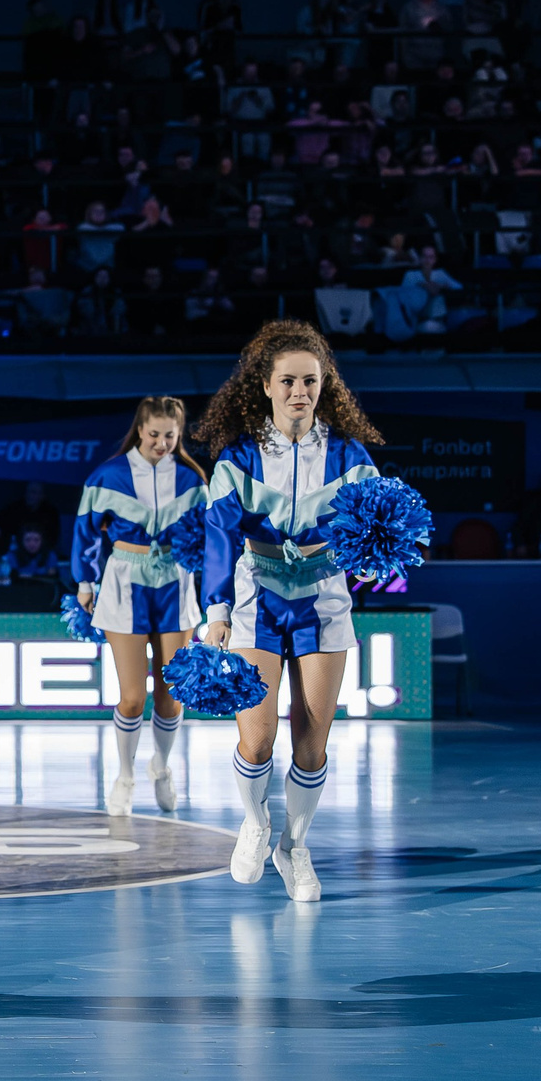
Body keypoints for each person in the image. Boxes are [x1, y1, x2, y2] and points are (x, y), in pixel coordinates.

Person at [194, 327, 389, 902]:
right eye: (289, 381)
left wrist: (372, 561)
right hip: (259, 596)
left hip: (324, 598)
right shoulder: (239, 457)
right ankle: (254, 823)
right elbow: (218, 537)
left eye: (311, 380)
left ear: (325, 386)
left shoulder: (352, 457)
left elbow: (374, 531)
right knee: (257, 742)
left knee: (312, 743)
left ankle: (294, 846)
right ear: (266, 386)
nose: (300, 390)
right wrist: (218, 607)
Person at [74, 397, 207, 817]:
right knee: (132, 698)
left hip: (175, 583)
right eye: (154, 434)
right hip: (123, 582)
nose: (162, 443)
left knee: (172, 697)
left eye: (171, 435)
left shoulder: (192, 480)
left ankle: (162, 767)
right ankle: (125, 775)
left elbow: (211, 537)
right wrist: (85, 580)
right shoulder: (107, 475)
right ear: (140, 430)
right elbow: (85, 530)